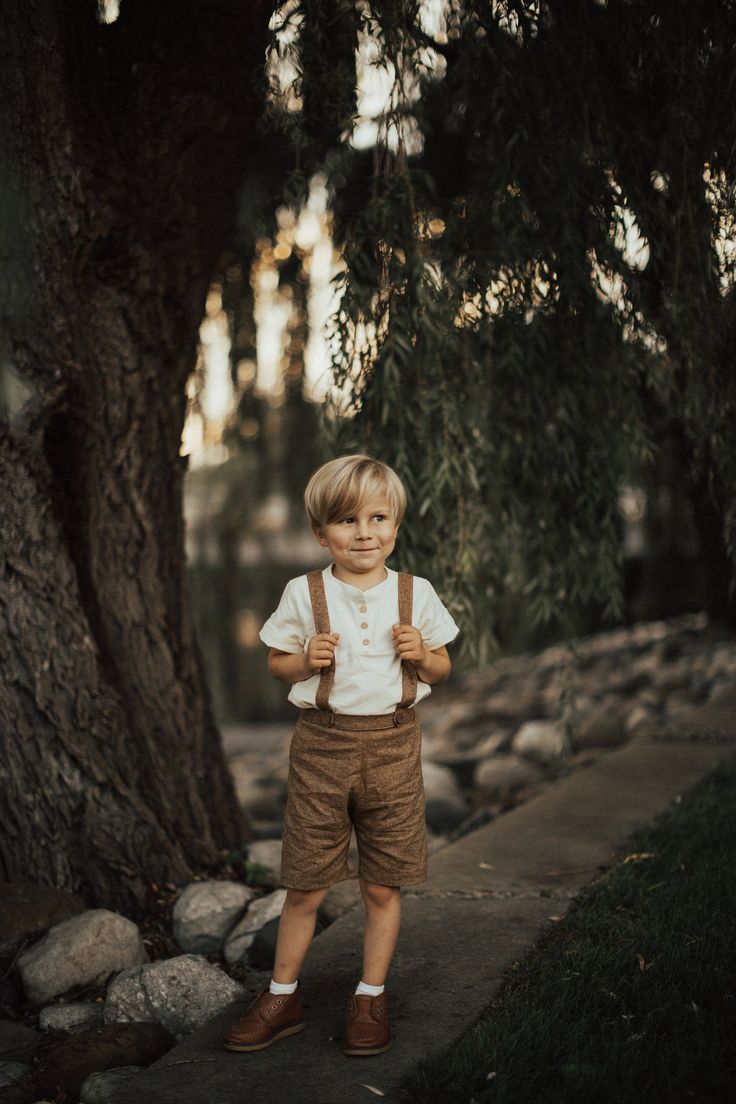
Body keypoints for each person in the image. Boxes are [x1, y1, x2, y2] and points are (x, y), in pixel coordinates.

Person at [223, 454, 460, 1057]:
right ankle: (281, 995)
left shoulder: (416, 593)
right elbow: (278, 661)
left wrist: (421, 654)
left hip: (393, 744)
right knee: (305, 881)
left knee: (383, 883)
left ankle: (370, 994)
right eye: (347, 521)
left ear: (396, 527)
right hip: (322, 745)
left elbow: (442, 666)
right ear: (320, 533)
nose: (364, 533)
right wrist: (306, 661)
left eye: (378, 518)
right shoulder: (303, 593)